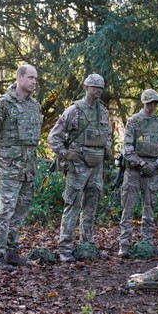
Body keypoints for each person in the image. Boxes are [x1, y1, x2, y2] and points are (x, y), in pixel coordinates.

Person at [48, 74, 113, 263]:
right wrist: (65, 153)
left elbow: (107, 134)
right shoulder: (74, 111)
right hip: (78, 165)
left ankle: (87, 244)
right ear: (86, 87)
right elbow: (54, 137)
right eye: (94, 87)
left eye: (100, 87)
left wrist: (107, 148)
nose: (98, 90)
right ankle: (65, 247)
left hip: (96, 166)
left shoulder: (103, 112)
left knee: (91, 204)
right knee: (72, 203)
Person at [0, 65, 43, 271]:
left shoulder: (34, 106)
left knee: (21, 209)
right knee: (7, 208)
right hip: (10, 165)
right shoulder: (3, 105)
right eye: (30, 77)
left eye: (36, 78)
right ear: (19, 77)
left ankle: (11, 250)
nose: (34, 81)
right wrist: (6, 155)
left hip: (28, 166)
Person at [118, 89, 158, 257]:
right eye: (148, 103)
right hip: (134, 171)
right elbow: (127, 148)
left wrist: (155, 164)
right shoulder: (133, 121)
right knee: (129, 207)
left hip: (152, 172)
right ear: (143, 103)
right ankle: (124, 244)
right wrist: (141, 163)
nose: (151, 106)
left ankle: (147, 242)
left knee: (149, 208)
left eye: (154, 103)